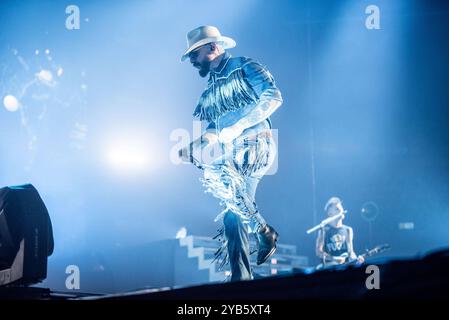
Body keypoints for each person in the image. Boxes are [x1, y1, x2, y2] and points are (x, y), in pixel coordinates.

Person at [178, 26, 282, 281]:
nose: (192, 60)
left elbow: (273, 97)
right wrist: (193, 146)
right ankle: (242, 278)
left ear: (212, 47)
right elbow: (215, 129)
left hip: (256, 143)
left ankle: (261, 232)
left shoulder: (244, 66)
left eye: (195, 53)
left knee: (217, 173)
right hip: (234, 149)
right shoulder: (211, 90)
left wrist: (239, 125)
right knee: (231, 215)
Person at [315, 197, 365, 269]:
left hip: (344, 269)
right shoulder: (324, 230)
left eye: (341, 208)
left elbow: (351, 253)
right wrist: (335, 259)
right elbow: (319, 252)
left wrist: (357, 260)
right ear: (330, 213)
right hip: (330, 269)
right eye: (337, 209)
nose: (341, 211)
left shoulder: (348, 230)